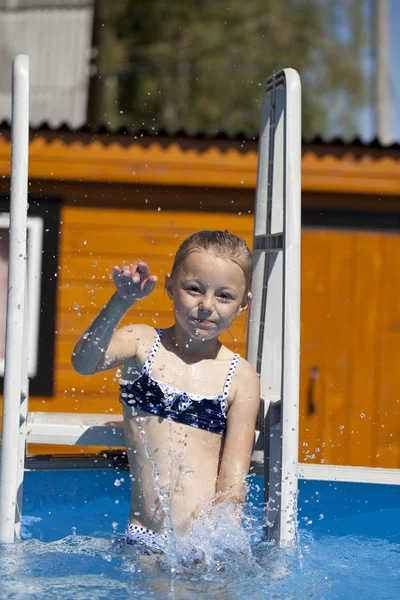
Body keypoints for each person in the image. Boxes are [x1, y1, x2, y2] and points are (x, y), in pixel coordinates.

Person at [72, 230, 260, 562]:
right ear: (171, 286)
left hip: (204, 548)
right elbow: (83, 362)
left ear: (243, 304)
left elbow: (232, 487)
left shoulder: (240, 377)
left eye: (224, 296)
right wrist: (122, 301)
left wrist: (218, 554)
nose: (206, 306)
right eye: (194, 289)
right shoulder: (142, 343)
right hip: (144, 539)